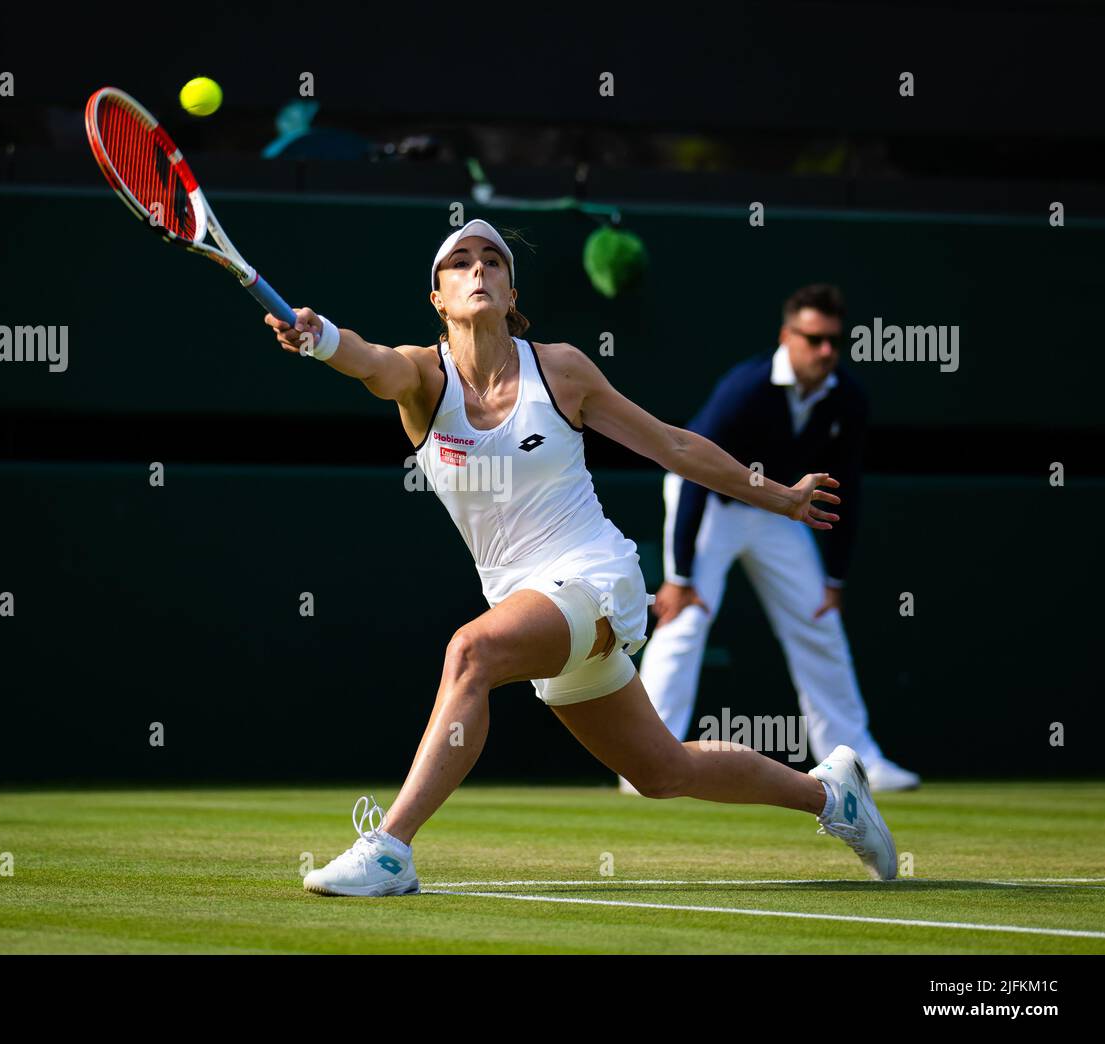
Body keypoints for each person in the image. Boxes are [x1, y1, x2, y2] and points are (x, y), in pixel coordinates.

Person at [265, 221, 896, 896]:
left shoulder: (560, 369)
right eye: (459, 263)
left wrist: (780, 498)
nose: (478, 270)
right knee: (661, 772)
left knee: (470, 653)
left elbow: (674, 446)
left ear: (511, 293)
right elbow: (367, 359)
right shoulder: (422, 377)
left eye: (493, 262)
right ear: (439, 300)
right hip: (523, 597)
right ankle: (832, 797)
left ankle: (390, 848)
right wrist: (321, 337)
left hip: (595, 574)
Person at [630, 285, 919, 795]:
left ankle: (856, 762)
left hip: (776, 514)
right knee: (687, 616)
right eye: (813, 339)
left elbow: (843, 486)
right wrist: (679, 577)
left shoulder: (848, 398)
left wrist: (834, 579)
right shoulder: (746, 388)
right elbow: (689, 470)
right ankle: (647, 762)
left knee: (819, 620)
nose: (826, 351)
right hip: (710, 504)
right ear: (787, 336)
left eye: (834, 341)